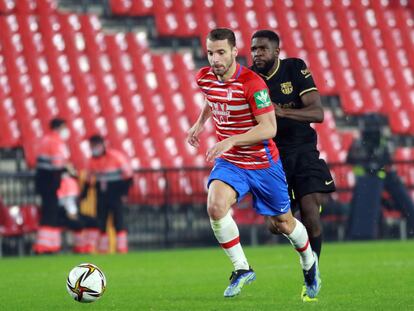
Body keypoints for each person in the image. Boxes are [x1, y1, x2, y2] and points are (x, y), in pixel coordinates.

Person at [187, 28, 321, 299]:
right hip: (231, 162)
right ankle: (242, 268)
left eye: (221, 52)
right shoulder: (204, 77)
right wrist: (199, 124)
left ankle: (309, 262)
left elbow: (269, 128)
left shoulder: (252, 83)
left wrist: (230, 140)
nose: (215, 59)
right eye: (211, 52)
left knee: (284, 223)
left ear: (235, 52)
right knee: (215, 206)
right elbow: (211, 99)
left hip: (263, 163)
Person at [250, 30, 335, 301]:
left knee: (311, 214)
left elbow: (318, 113)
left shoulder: (295, 69)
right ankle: (295, 205)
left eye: (262, 49)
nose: (256, 54)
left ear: (276, 51)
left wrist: (283, 111)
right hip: (272, 156)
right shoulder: (249, 79)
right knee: (275, 226)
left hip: (303, 150)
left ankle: (312, 276)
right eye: (253, 49)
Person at [83, 135, 133, 254]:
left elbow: (129, 177)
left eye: (96, 146)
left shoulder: (116, 157)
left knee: (118, 222)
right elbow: (88, 179)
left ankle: (122, 249)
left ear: (102, 145)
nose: (94, 148)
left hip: (116, 194)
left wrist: (124, 193)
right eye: (92, 146)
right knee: (101, 222)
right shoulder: (91, 161)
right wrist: (83, 194)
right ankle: (103, 250)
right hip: (101, 195)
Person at [33, 118, 71, 254]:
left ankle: (48, 244)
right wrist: (66, 171)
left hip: (42, 179)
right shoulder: (56, 141)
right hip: (51, 180)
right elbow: (58, 163)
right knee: (51, 211)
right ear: (60, 127)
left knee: (48, 211)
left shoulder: (44, 140)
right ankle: (47, 246)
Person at [57, 173, 99, 253]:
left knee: (94, 222)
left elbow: (79, 198)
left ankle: (89, 246)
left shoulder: (74, 182)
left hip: (73, 212)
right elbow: (66, 201)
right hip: (63, 213)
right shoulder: (66, 182)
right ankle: (79, 247)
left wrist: (87, 185)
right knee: (78, 223)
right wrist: (71, 213)